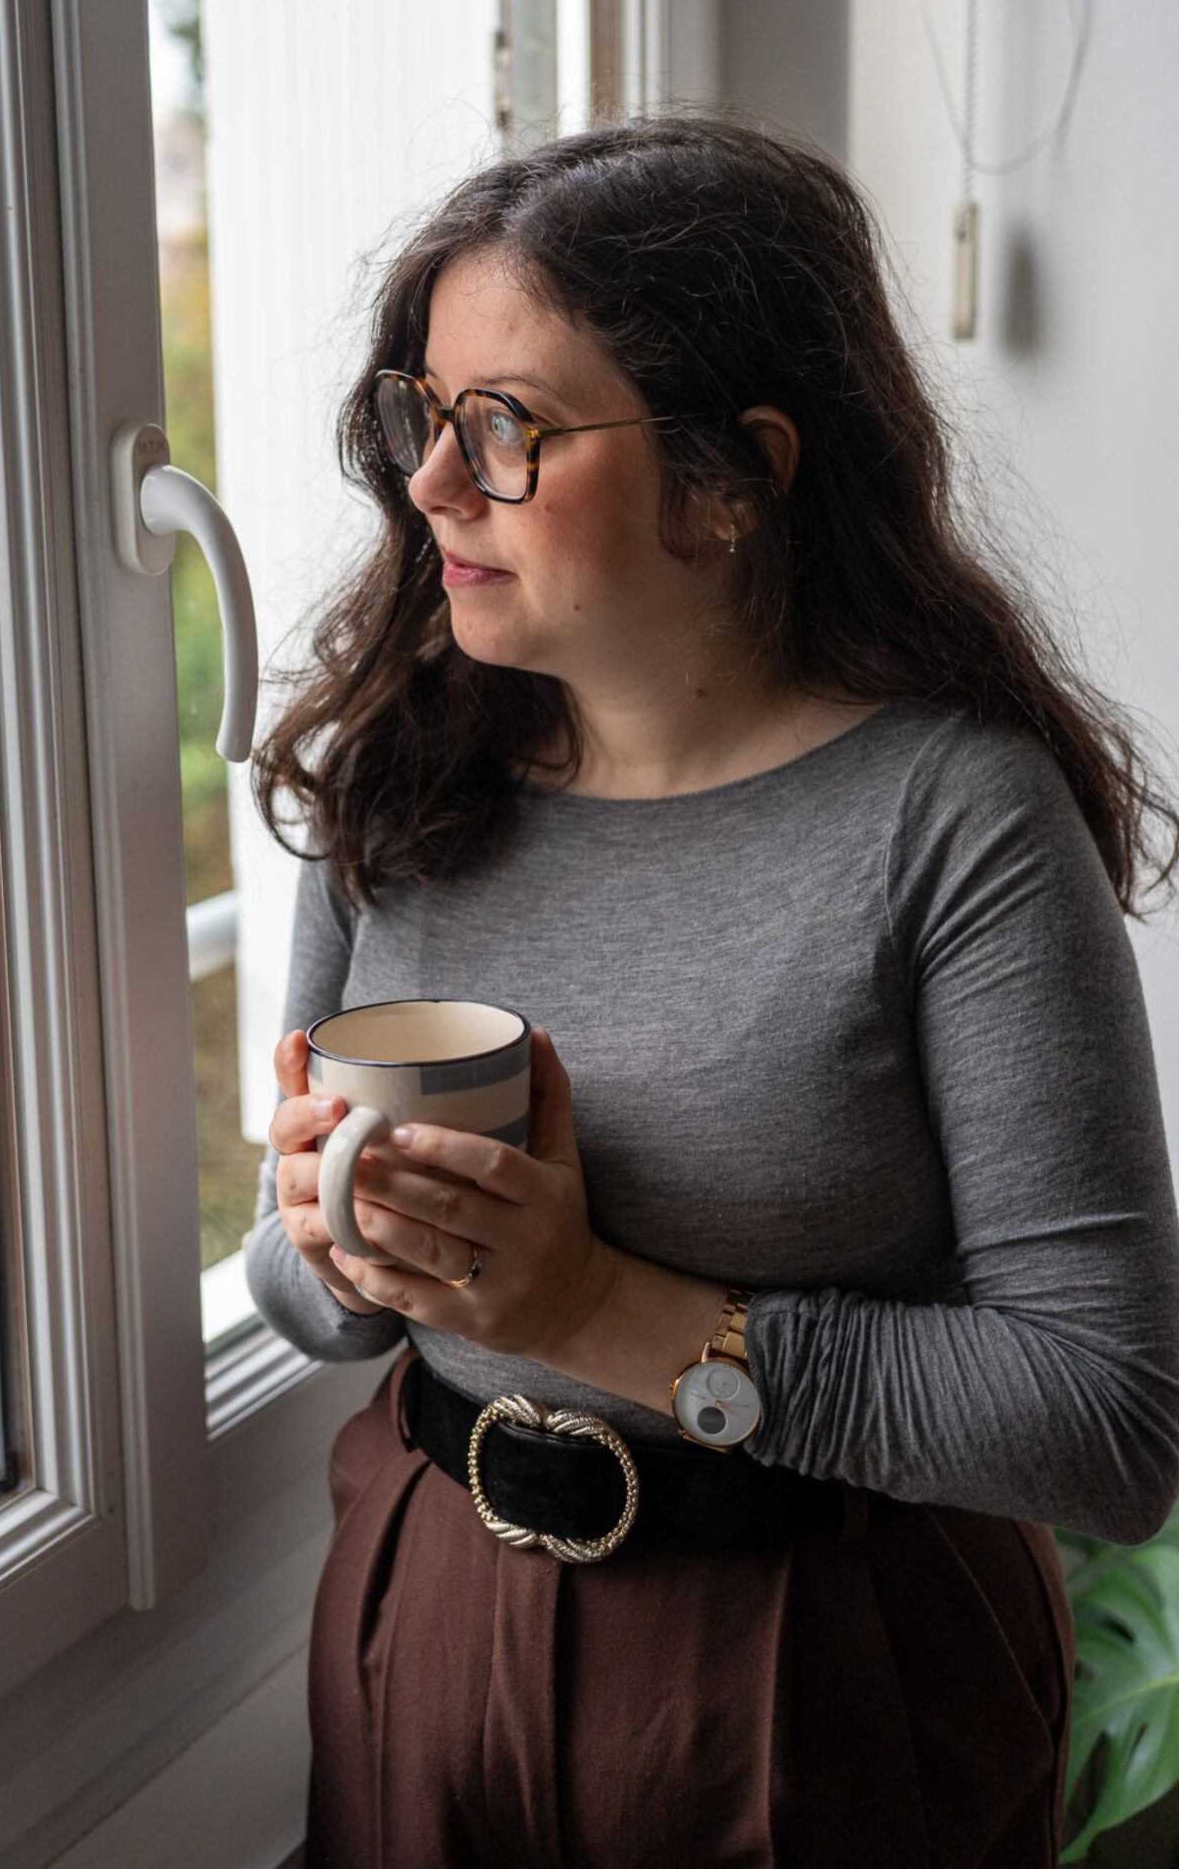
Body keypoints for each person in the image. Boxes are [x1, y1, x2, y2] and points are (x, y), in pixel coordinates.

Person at [241, 103, 1179, 1867]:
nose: (433, 484)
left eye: (507, 427)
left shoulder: (953, 821)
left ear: (733, 474)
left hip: (825, 1666)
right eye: (423, 419)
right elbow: (307, 1295)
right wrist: (327, 1237)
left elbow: (1107, 1421)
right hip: (425, 1606)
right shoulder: (397, 780)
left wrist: (590, 1306)